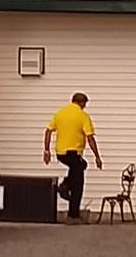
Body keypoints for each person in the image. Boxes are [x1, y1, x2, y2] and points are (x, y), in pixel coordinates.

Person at [43, 92, 103, 220]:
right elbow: (90, 138)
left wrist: (47, 151)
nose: (85, 107)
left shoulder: (60, 113)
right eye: (84, 104)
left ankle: (66, 186)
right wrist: (97, 156)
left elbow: (48, 131)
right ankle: (73, 214)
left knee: (79, 168)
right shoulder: (82, 116)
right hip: (74, 153)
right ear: (81, 103)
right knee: (78, 184)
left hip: (61, 154)